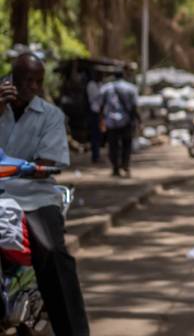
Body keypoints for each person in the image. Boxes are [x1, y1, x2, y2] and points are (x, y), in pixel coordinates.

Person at [0, 54, 90, 335]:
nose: (35, 87)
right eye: (28, 80)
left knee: (52, 252)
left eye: (39, 81)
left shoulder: (50, 116)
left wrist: (26, 169)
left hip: (34, 196)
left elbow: (50, 163)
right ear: (10, 80)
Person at [100, 70, 139, 178]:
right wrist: (137, 120)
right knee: (127, 144)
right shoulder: (131, 88)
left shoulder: (106, 88)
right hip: (126, 121)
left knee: (113, 146)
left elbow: (101, 105)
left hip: (111, 122)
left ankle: (115, 168)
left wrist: (102, 120)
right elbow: (134, 106)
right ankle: (125, 165)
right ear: (124, 76)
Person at [85, 70, 104, 164]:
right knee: (94, 136)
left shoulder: (100, 84)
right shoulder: (91, 85)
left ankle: (97, 155)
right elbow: (96, 97)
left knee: (99, 135)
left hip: (100, 113)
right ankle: (95, 156)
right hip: (93, 113)